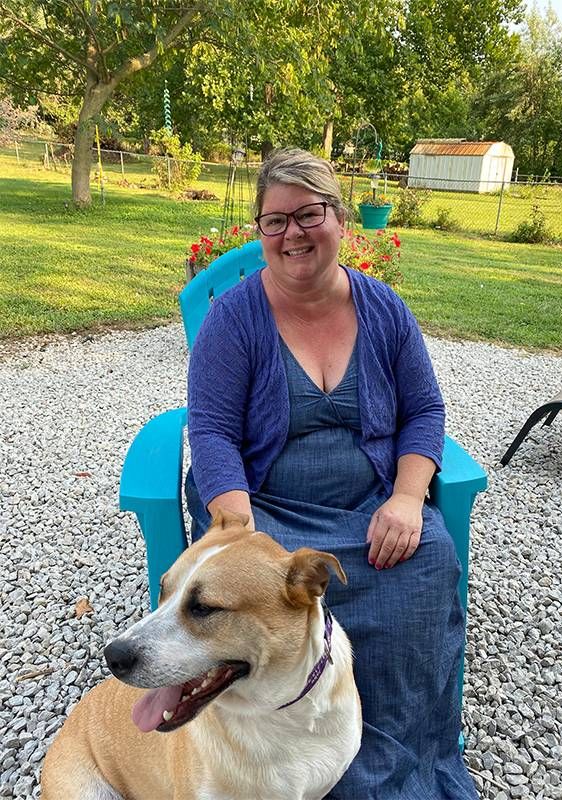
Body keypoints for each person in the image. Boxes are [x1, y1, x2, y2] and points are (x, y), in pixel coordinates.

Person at [185, 147, 478, 799]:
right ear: (259, 230)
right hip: (269, 509)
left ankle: (402, 767)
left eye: (308, 214)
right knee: (271, 598)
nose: (292, 233)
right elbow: (209, 429)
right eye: (274, 220)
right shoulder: (235, 319)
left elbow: (425, 407)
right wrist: (237, 530)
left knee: (428, 563)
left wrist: (406, 497)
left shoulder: (384, 309)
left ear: (339, 219)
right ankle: (288, 761)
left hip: (371, 504)